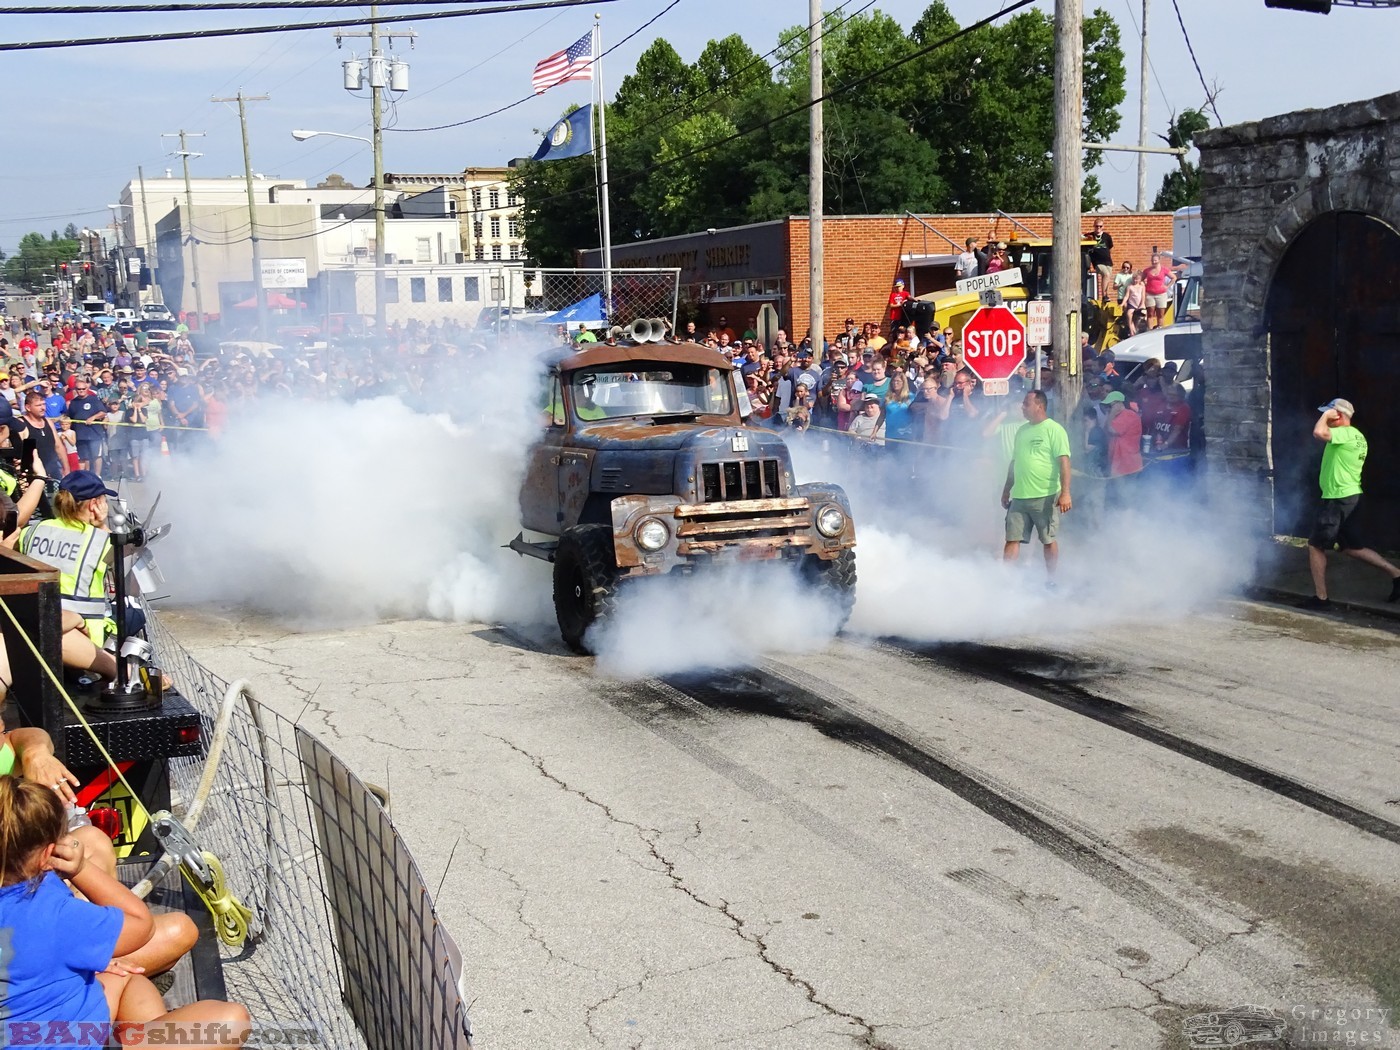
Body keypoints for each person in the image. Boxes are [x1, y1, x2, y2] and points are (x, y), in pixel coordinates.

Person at [0, 777, 251, 1050]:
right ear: (49, 851)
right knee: (231, 1020)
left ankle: (152, 1034)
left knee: (128, 977)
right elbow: (141, 926)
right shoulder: (54, 914)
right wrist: (80, 868)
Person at [15, 471, 135, 681]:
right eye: (104, 499)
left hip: (35, 621)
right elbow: (132, 588)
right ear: (94, 505)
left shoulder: (33, 530)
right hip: (86, 639)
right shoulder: (102, 541)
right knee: (135, 616)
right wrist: (103, 527)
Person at [1304, 398, 1400, 609]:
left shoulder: (1343, 434)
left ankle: (1321, 599)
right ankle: (1397, 574)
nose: (1325, 417)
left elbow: (1318, 433)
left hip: (1337, 498)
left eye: (1329, 414)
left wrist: (1325, 417)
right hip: (1350, 496)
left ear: (1337, 415)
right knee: (1350, 547)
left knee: (1315, 545)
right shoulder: (1358, 436)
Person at [1001, 390, 1072, 580]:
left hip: (1045, 495)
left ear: (1039, 406)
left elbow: (1064, 462)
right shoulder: (1022, 430)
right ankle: (1005, 581)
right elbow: (1014, 462)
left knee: (1048, 540)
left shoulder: (1054, 429)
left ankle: (1051, 579)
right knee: (1012, 538)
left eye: (1026, 404)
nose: (1022, 407)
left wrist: (1065, 493)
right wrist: (1007, 489)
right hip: (1020, 495)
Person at [1100, 390, 1143, 507]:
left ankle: (1128, 520)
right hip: (1119, 462)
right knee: (1117, 496)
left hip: (1127, 463)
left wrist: (1111, 414)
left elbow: (1112, 430)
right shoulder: (1116, 416)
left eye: (1111, 405)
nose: (1109, 408)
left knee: (1125, 497)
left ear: (1119, 403)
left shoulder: (1129, 415)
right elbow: (1105, 430)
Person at [1087, 219, 1114, 295]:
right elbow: (1081, 237)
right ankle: (1104, 295)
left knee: (1107, 278)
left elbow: (1111, 248)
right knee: (1106, 274)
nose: (1098, 228)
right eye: (1096, 226)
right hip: (1098, 261)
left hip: (1108, 261)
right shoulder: (1090, 236)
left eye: (1100, 226)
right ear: (1094, 226)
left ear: (1103, 227)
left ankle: (1105, 297)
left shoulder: (1107, 236)